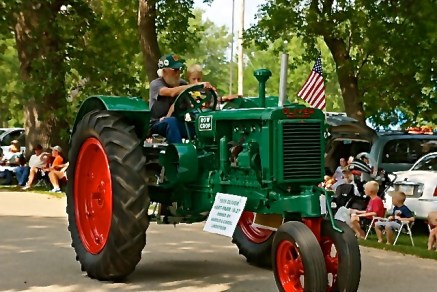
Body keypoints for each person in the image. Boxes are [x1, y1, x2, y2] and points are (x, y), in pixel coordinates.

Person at [149, 54, 214, 144]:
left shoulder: (183, 84)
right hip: (158, 123)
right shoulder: (156, 84)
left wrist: (210, 95)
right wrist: (196, 85)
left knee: (201, 125)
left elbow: (197, 98)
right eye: (175, 70)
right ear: (164, 71)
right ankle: (179, 154)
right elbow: (171, 92)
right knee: (171, 122)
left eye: (179, 69)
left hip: (178, 122)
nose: (178, 73)